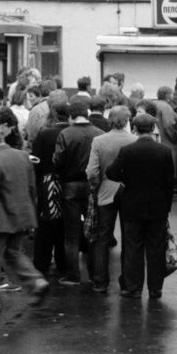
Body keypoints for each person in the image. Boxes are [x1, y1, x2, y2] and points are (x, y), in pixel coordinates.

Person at [0, 124, 49, 313]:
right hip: (23, 213)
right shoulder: (22, 155)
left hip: (0, 218)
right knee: (14, 252)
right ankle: (36, 280)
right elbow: (32, 187)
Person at [105, 114, 176, 300]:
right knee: (156, 248)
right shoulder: (164, 151)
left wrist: (126, 179)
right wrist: (167, 206)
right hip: (158, 206)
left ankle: (133, 287)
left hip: (132, 204)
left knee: (132, 247)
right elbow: (170, 182)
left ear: (134, 129)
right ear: (153, 128)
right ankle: (155, 288)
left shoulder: (127, 150)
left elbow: (111, 172)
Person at [52, 99, 104, 286]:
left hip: (70, 186)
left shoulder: (65, 133)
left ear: (72, 116)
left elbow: (57, 161)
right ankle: (95, 275)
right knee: (93, 232)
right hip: (92, 187)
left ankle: (73, 275)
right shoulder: (99, 133)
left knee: (71, 234)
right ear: (87, 113)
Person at [86, 106, 137, 294]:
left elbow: (91, 171)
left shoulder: (99, 141)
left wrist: (96, 186)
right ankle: (127, 282)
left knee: (102, 237)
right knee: (129, 238)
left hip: (105, 192)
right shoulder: (134, 140)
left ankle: (100, 281)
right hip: (128, 192)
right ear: (127, 121)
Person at [30, 101, 70, 278]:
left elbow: (36, 161)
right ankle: (63, 263)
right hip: (68, 182)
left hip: (47, 183)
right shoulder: (72, 132)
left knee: (45, 224)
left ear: (53, 113)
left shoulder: (45, 134)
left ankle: (41, 262)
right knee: (65, 226)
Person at [154, 86, 177, 166]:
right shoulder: (166, 107)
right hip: (166, 142)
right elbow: (168, 126)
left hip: (155, 140)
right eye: (172, 94)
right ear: (167, 96)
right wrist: (175, 139)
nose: (173, 97)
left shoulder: (153, 104)